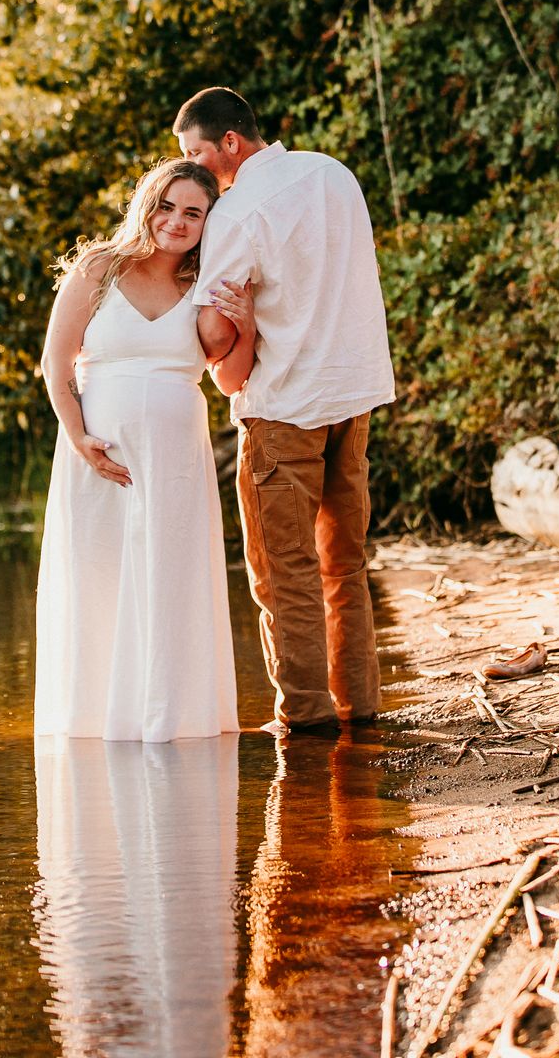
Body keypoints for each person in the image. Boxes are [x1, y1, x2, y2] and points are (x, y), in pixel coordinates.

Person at [173, 88, 396, 734]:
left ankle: (303, 716)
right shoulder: (336, 175)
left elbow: (215, 330)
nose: (194, 168)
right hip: (351, 398)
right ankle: (360, 705)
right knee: (344, 561)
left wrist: (226, 343)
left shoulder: (237, 213)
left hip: (283, 408)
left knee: (283, 571)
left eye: (196, 154)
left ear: (230, 146)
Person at [34, 157, 255, 743]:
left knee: (170, 577)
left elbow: (231, 378)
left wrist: (247, 324)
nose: (176, 222)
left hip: (176, 454)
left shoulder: (206, 288)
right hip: (98, 456)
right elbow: (55, 365)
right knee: (100, 577)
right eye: (167, 205)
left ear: (210, 223)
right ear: (146, 203)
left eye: (194, 213)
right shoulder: (99, 268)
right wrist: (78, 438)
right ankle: (94, 725)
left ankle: (171, 722)